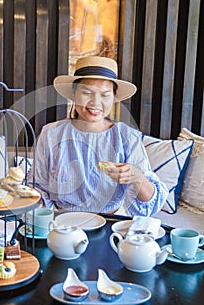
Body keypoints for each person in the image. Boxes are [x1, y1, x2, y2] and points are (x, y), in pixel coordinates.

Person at [29, 56, 168, 216]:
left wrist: (136, 176)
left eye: (105, 95)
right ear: (74, 94)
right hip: (61, 223)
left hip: (110, 223)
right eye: (87, 93)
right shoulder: (50, 133)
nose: (95, 102)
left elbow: (151, 203)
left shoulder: (128, 137)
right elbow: (38, 187)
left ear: (114, 98)